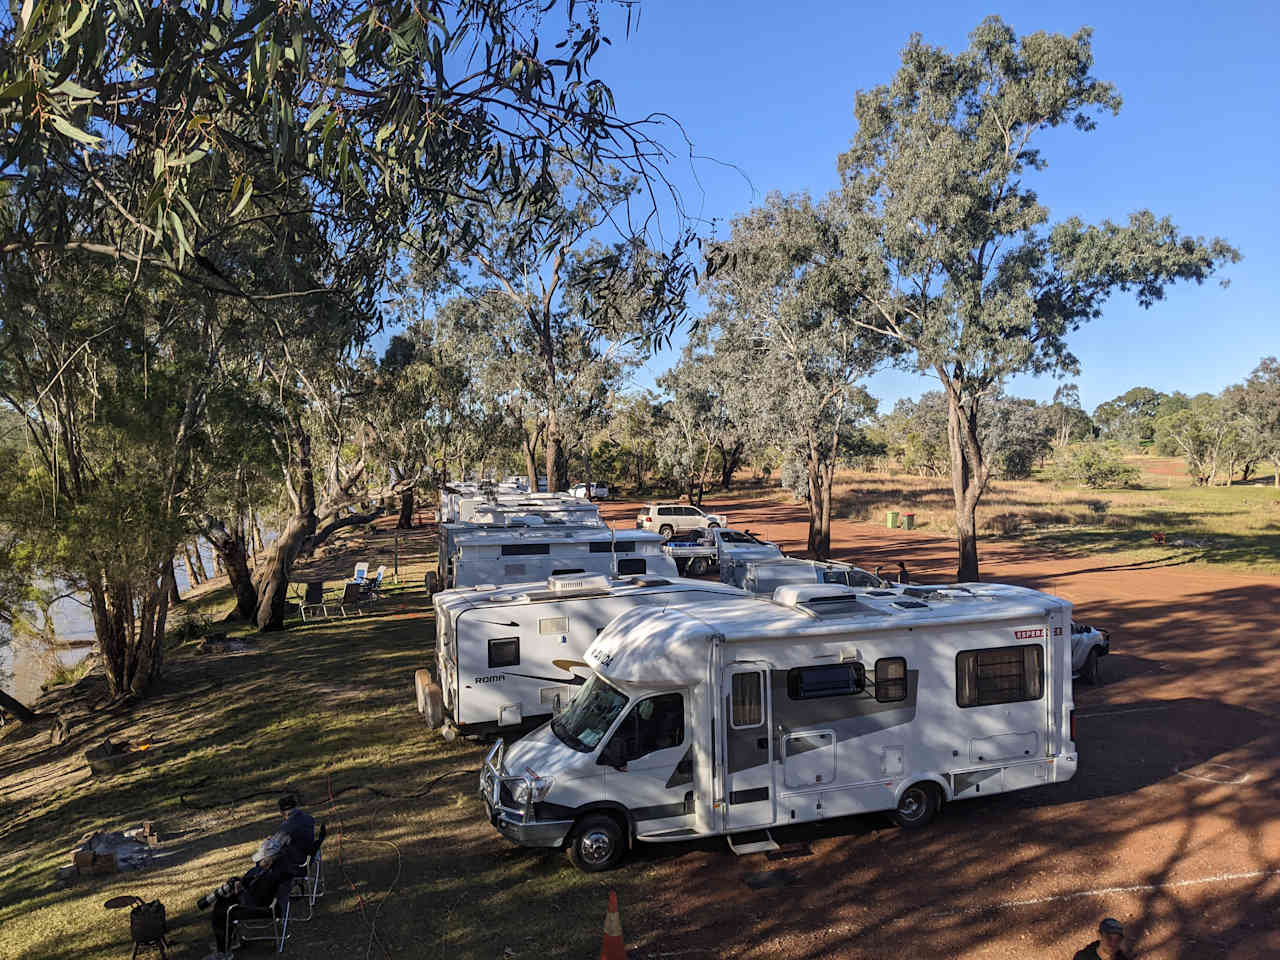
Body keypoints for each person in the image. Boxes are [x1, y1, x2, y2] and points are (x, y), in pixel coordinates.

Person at [202, 833, 295, 960]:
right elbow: (255, 883)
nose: (257, 861)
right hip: (266, 901)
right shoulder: (279, 865)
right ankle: (227, 941)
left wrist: (239, 892)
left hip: (266, 908)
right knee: (223, 904)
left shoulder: (272, 874)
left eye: (260, 859)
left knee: (221, 910)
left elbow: (255, 899)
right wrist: (241, 883)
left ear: (269, 859)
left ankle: (223, 952)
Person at [277, 793, 315, 871]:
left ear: (282, 812)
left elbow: (279, 844)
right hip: (310, 856)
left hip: (296, 860)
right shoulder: (309, 818)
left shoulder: (286, 825)